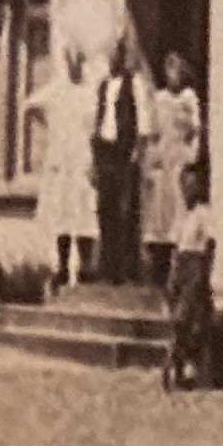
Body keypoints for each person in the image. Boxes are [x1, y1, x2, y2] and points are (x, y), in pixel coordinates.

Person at [142, 48, 203, 288]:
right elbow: (153, 132)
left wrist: (192, 156)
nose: (172, 77)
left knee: (179, 209)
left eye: (175, 71)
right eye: (168, 72)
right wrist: (151, 159)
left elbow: (195, 131)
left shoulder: (189, 98)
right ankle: (158, 268)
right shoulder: (160, 99)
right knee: (160, 212)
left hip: (180, 158)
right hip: (163, 159)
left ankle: (177, 269)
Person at [36, 46, 95, 287]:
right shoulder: (58, 90)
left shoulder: (91, 91)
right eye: (71, 61)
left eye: (78, 61)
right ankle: (62, 266)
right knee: (63, 212)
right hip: (63, 159)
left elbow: (97, 123)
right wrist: (51, 130)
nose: (74, 66)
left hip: (84, 157)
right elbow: (32, 106)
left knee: (85, 211)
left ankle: (85, 267)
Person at [89, 43, 144, 285]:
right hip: (105, 150)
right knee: (105, 209)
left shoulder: (133, 84)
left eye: (116, 56)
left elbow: (142, 120)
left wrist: (136, 152)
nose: (112, 60)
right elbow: (98, 118)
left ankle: (126, 268)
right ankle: (107, 267)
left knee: (125, 210)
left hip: (124, 151)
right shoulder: (103, 86)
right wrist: (94, 158)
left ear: (122, 57)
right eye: (109, 56)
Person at [160, 166, 218, 393]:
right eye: (184, 185)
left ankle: (180, 366)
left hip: (196, 265)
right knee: (178, 318)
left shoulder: (204, 213)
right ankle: (179, 369)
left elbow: (210, 244)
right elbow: (176, 247)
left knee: (186, 319)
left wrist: (204, 273)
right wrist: (172, 275)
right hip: (181, 266)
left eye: (192, 185)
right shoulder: (183, 215)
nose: (187, 190)